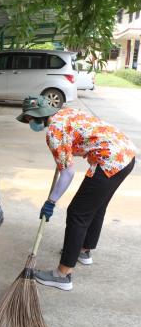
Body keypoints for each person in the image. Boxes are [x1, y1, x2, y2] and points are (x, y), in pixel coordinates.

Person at [16, 96, 136, 291]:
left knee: (77, 213)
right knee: (96, 207)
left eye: (28, 119)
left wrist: (51, 201)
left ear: (35, 116)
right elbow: (82, 139)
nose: (29, 123)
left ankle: (63, 275)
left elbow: (68, 173)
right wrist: (66, 153)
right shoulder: (65, 113)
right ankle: (83, 250)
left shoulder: (55, 131)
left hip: (110, 161)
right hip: (126, 156)